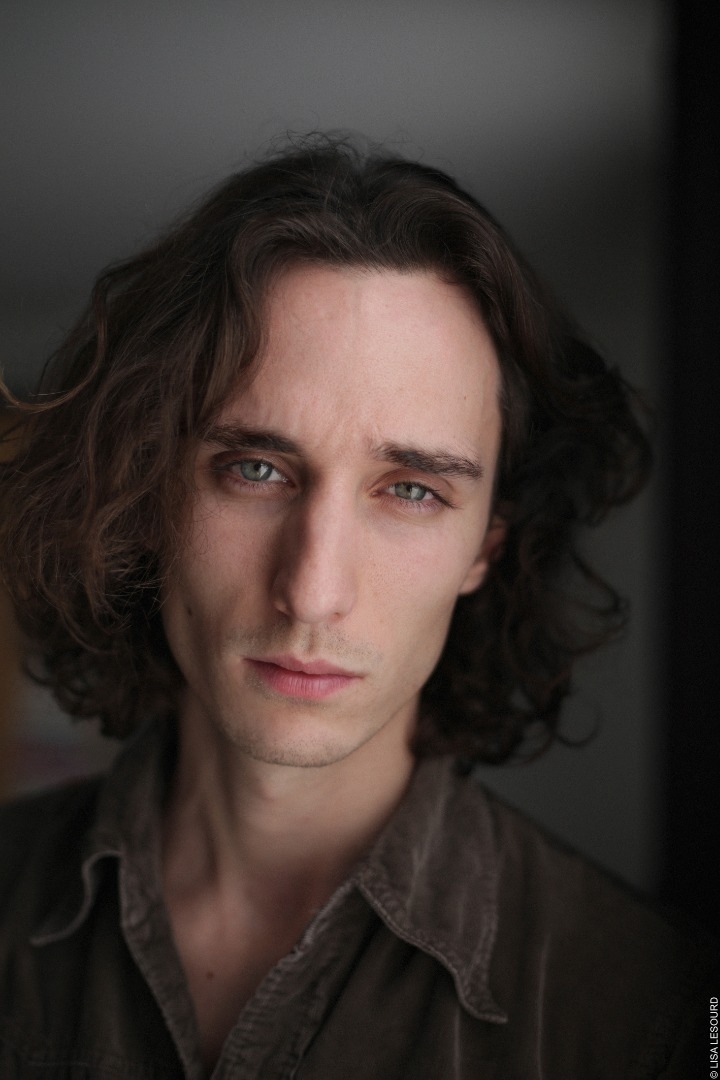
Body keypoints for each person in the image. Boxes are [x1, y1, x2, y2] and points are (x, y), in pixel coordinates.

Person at [0, 137, 711, 1078]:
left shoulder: (657, 1016)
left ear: (486, 548)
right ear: (148, 494)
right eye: (255, 469)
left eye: (411, 490)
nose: (313, 591)